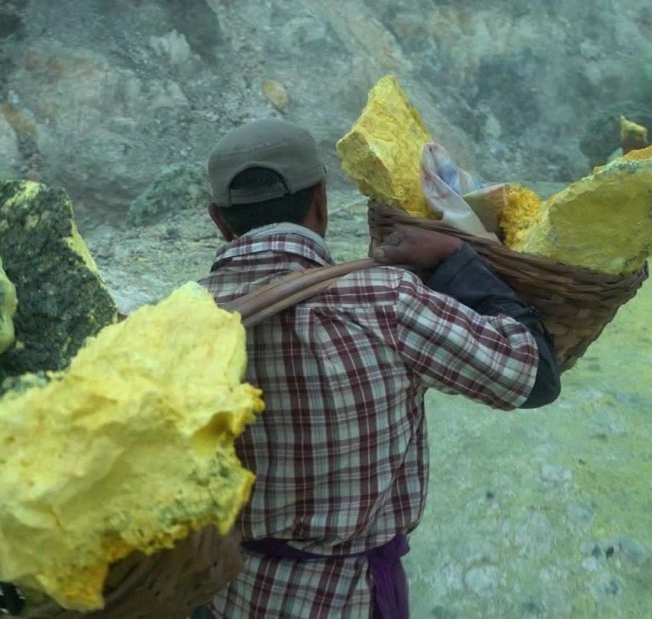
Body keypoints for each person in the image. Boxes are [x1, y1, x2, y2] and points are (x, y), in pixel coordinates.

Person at [193, 118, 561, 618]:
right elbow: (534, 377)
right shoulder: (383, 300)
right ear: (321, 200)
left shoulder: (179, 324)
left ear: (219, 220)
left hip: (227, 593)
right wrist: (455, 257)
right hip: (345, 599)